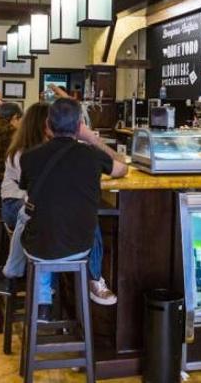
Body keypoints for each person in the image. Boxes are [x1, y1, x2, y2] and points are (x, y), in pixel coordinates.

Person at [19, 98, 128, 315]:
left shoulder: (29, 157)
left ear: (48, 125)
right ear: (79, 126)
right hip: (79, 248)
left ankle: (42, 306)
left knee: (45, 231)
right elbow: (122, 168)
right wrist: (92, 140)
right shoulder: (92, 156)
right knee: (86, 220)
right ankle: (94, 281)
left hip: (37, 245)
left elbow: (26, 190)